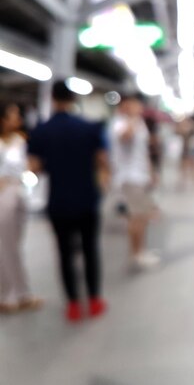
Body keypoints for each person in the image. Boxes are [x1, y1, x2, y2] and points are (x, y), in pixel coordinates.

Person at [28, 81, 108, 322]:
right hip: (87, 197)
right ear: (74, 99)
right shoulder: (89, 128)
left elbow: (34, 167)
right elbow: (102, 161)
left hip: (58, 200)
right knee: (90, 249)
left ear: (52, 99)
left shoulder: (41, 130)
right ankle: (94, 300)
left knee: (64, 253)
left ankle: (73, 304)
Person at [109, 93, 160, 270]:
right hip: (129, 177)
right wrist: (131, 117)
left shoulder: (139, 123)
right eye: (135, 105)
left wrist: (151, 172)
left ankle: (140, 250)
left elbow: (143, 150)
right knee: (136, 217)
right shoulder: (119, 123)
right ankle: (136, 254)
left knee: (143, 216)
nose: (139, 108)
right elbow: (126, 137)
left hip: (141, 176)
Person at [0, 104, 43, 314]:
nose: (17, 119)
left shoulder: (19, 141)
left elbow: (29, 164)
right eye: (12, 115)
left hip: (18, 192)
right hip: (3, 193)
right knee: (5, 247)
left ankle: (19, 292)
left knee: (13, 247)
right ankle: (9, 294)